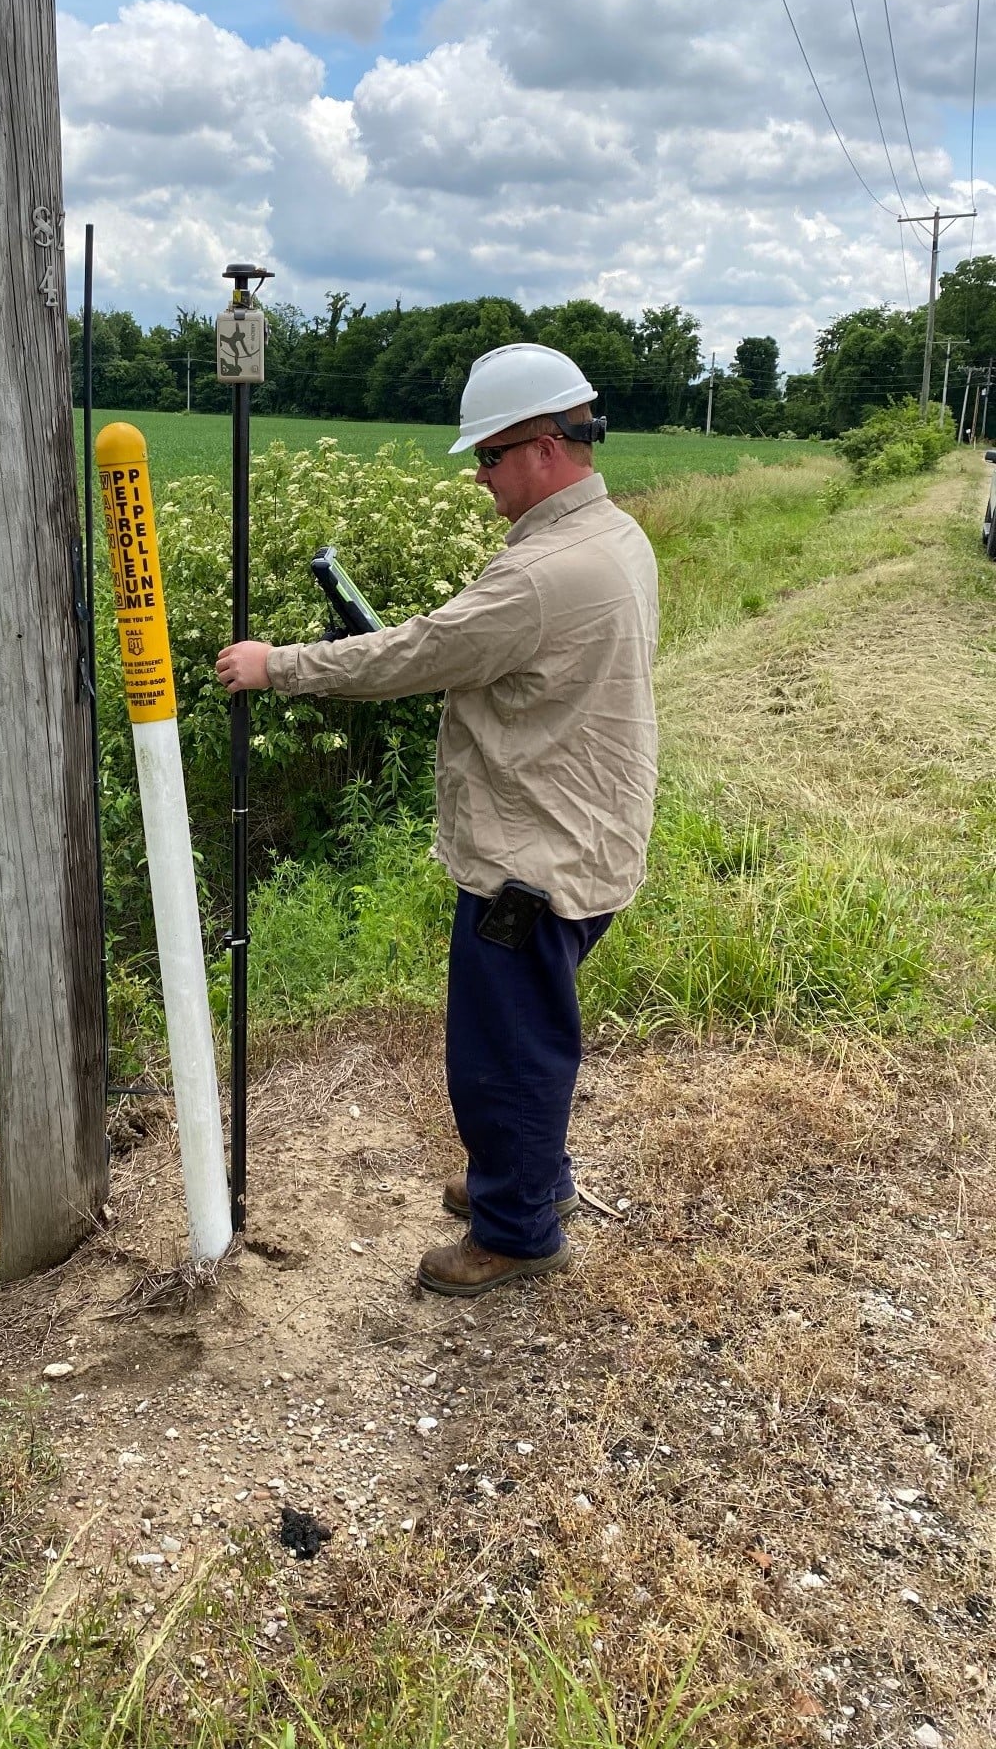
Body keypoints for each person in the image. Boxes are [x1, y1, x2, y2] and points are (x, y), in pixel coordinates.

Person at [216, 343, 659, 1298]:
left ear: (543, 447)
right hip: (587, 835)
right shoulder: (615, 538)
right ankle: (529, 1182)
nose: (481, 479)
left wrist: (276, 666)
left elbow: (413, 655)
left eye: (488, 459)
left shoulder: (543, 574)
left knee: (504, 1055)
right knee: (529, 1035)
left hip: (533, 863)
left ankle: (516, 1230)